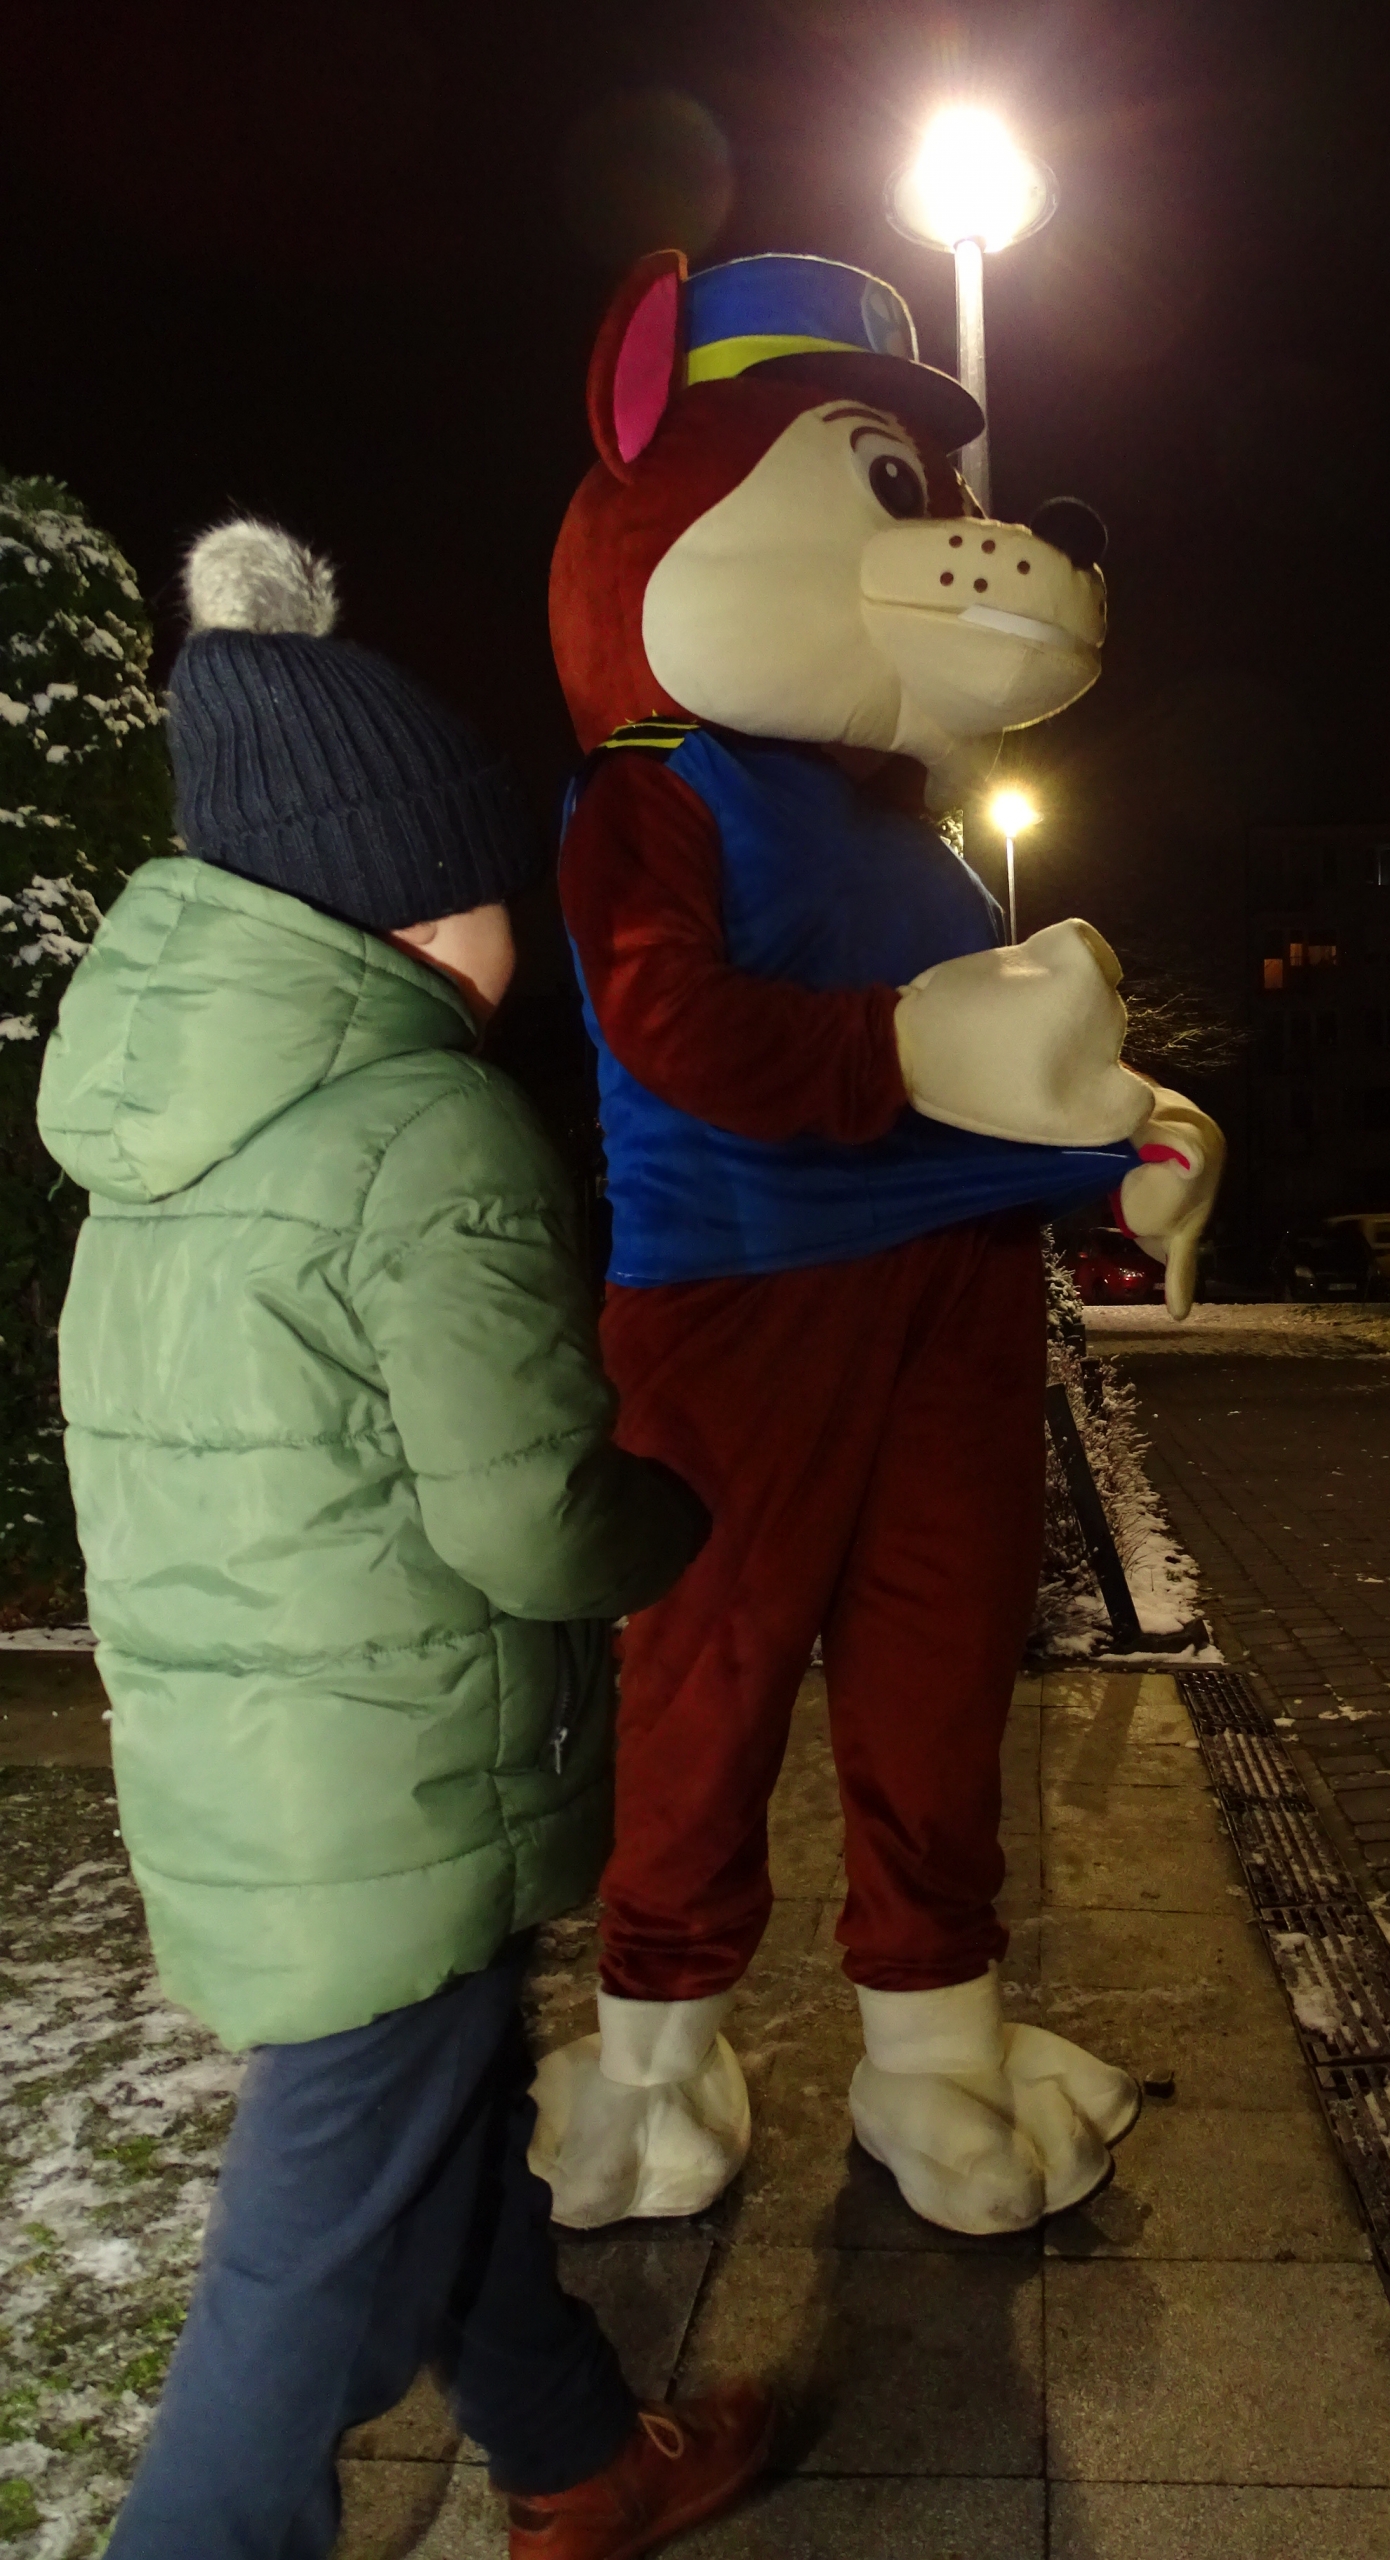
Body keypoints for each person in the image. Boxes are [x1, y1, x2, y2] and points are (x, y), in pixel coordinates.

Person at [35, 519, 772, 2560]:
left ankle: (575, 2458)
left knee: (440, 2148)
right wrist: (678, 1518)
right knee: (303, 2271)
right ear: (426, 898)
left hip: (251, 1772)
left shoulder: (156, 1140)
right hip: (400, 1774)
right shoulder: (424, 1125)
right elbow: (531, 1512)